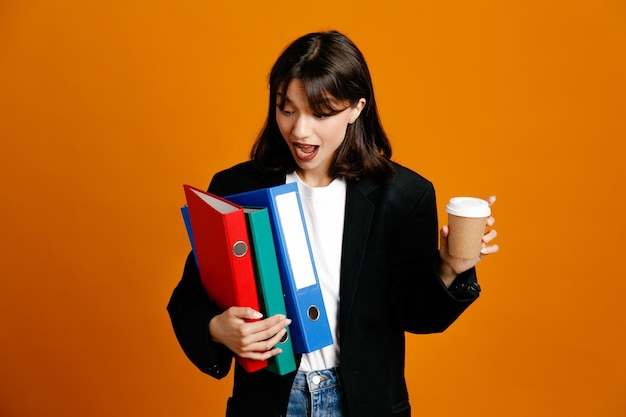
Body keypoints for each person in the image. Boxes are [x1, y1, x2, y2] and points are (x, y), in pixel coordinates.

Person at [167, 30, 498, 417]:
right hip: (270, 402)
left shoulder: (404, 195)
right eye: (286, 109)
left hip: (364, 402)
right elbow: (190, 298)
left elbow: (417, 317)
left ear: (357, 108)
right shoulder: (236, 188)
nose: (299, 130)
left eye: (321, 113)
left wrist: (449, 268)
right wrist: (217, 329)